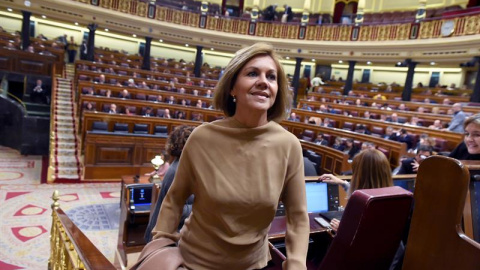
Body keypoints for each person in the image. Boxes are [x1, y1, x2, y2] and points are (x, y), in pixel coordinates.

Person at [149, 43, 309, 269]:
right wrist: (161, 246)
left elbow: (298, 216)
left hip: (253, 265)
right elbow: (174, 199)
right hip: (193, 262)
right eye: (253, 73)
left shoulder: (288, 145)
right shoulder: (202, 138)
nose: (264, 81)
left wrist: (296, 264)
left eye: (271, 77)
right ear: (232, 87)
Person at [144, 127, 194, 243]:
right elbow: (177, 210)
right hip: (164, 237)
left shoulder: (183, 165)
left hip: (170, 233)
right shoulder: (179, 169)